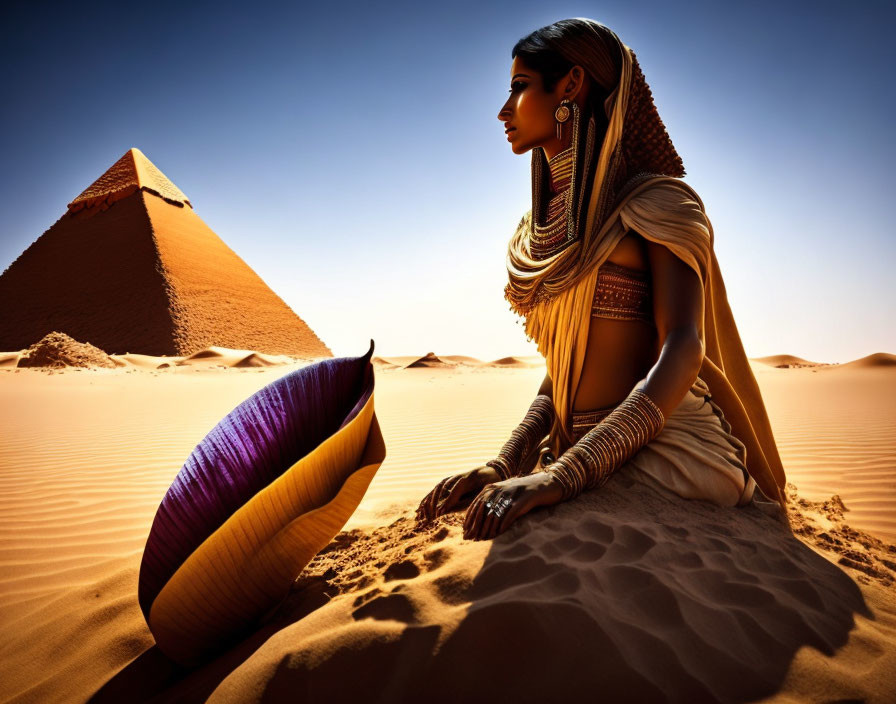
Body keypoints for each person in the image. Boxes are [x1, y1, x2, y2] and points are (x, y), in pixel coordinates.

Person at [416, 18, 789, 540]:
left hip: (667, 454)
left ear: (570, 85)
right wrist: (505, 464)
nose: (504, 110)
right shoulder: (544, 230)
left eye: (520, 87)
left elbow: (682, 348)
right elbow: (565, 368)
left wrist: (565, 477)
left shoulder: (658, 205)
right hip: (573, 453)